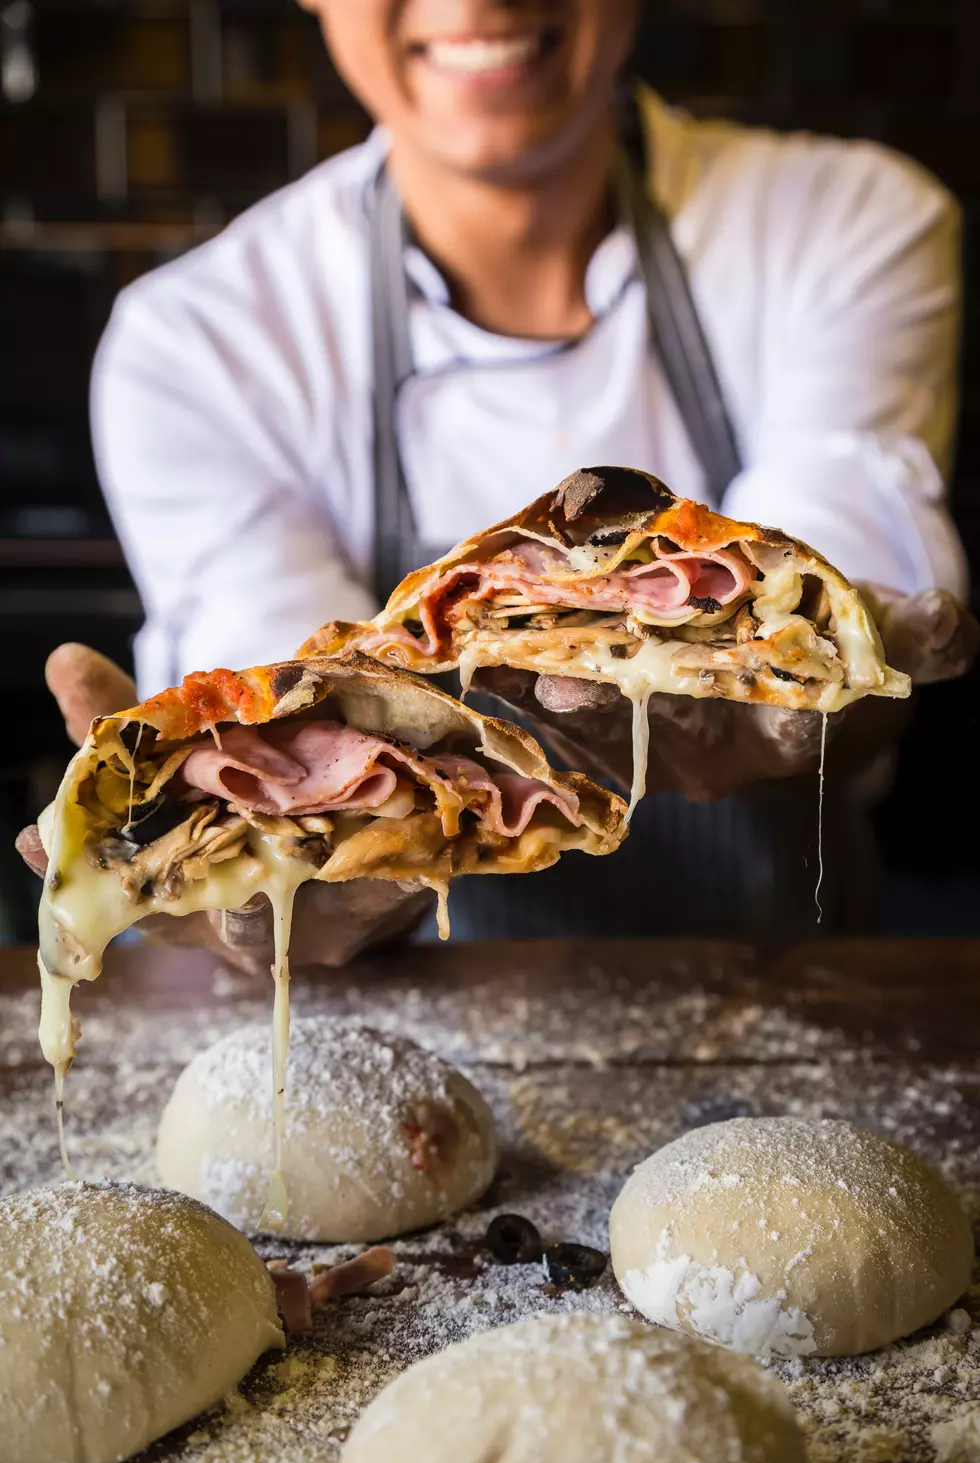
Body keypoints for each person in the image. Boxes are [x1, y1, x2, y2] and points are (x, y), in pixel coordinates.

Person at [20, 1, 978, 958]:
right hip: (389, 1014)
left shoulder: (850, 221)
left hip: (790, 983)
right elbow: (275, 677)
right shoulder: (199, 337)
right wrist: (288, 827)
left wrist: (804, 675)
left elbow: (847, 590)